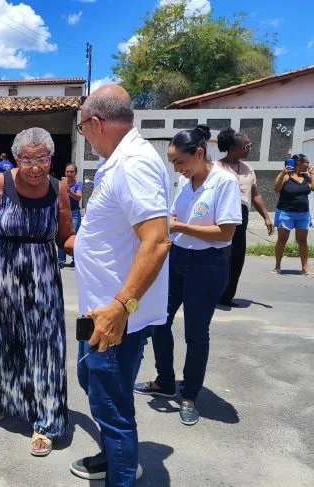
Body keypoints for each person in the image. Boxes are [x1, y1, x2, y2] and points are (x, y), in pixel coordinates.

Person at [70, 85, 171, 485]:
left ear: (95, 123)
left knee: (111, 403)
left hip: (114, 317)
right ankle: (114, 456)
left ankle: (122, 473)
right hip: (99, 311)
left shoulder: (132, 163)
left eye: (82, 129)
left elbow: (157, 240)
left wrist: (121, 307)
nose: (84, 137)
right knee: (95, 385)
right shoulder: (121, 160)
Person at [0, 127, 76, 457]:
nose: (35, 167)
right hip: (0, 277)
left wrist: (90, 249)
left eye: (42, 159)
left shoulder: (59, 190)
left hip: (43, 281)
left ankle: (46, 422)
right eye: (28, 159)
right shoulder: (1, 184)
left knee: (45, 347)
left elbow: (65, 237)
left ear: (51, 159)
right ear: (17, 159)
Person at [134, 125, 242, 427]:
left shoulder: (224, 183)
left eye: (179, 162)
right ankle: (165, 380)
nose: (176, 168)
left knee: (196, 332)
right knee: (159, 321)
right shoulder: (185, 182)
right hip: (178, 258)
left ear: (199, 153)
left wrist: (180, 227)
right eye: (172, 163)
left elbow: (226, 232)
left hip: (208, 264)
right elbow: (172, 217)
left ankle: (190, 394)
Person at [216, 128, 274, 306]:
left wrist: (266, 216)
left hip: (240, 216)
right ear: (233, 148)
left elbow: (255, 194)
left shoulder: (248, 169)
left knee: (236, 257)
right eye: (246, 146)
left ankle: (226, 296)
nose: (249, 149)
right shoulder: (215, 168)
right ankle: (211, 292)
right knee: (218, 256)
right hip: (219, 216)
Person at [273, 154, 313, 275]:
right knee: (282, 240)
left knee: (302, 241)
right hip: (286, 213)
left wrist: (313, 173)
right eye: (307, 162)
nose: (309, 164)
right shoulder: (286, 176)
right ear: (299, 162)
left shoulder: (306, 176)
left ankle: (305, 268)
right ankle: (277, 265)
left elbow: (313, 187)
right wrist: (282, 173)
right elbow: (276, 188)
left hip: (303, 214)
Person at [58, 163, 83, 268]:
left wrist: (68, 191)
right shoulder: (61, 184)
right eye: (68, 171)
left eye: (72, 171)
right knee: (61, 236)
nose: (69, 173)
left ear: (75, 173)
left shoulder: (78, 184)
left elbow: (78, 197)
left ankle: (75, 259)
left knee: (74, 237)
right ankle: (61, 260)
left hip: (74, 213)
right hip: (63, 213)